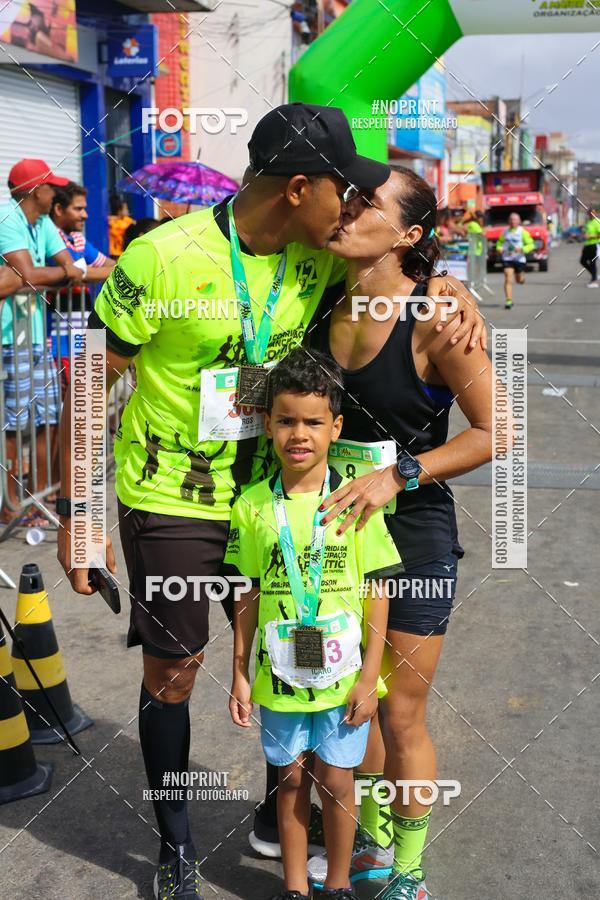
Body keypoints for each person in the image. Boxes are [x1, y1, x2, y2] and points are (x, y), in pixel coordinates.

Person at [57, 103, 484, 898]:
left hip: (276, 500)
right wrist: (80, 510)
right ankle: (176, 845)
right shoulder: (162, 258)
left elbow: (396, 272)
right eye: (342, 193)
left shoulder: (318, 261)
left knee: (300, 657)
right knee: (177, 670)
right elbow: (88, 372)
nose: (350, 210)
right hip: (172, 497)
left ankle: (282, 806)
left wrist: (446, 287)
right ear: (298, 189)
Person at [306, 167, 494, 899]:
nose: (348, 210)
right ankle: (375, 836)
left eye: (368, 205)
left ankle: (408, 872)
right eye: (348, 198)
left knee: (400, 705)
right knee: (355, 694)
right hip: (331, 534)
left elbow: (494, 432)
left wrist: (400, 474)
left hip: (411, 530)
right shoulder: (316, 294)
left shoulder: (435, 316)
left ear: (410, 235)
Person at [226, 348, 402, 900]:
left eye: (312, 422)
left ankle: (340, 885)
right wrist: (238, 673)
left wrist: (369, 677)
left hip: (343, 678)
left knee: (337, 783)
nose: (297, 434)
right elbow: (247, 594)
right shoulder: (252, 505)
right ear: (268, 424)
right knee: (291, 782)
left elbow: (378, 591)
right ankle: (297, 888)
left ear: (336, 427)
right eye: (285, 421)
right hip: (278, 681)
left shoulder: (354, 504)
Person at [0, 158, 84, 526]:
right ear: (36, 191)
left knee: (48, 415)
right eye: (52, 186)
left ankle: (37, 496)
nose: (57, 192)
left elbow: (67, 264)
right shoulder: (8, 217)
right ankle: (11, 502)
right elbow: (28, 273)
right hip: (9, 337)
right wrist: (66, 273)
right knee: (16, 423)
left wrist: (64, 272)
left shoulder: (42, 222)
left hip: (35, 335)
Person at [50, 182, 115, 283]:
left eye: (84, 209)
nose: (85, 215)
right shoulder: (51, 236)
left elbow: (107, 263)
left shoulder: (76, 238)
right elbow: (77, 271)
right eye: (78, 209)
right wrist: (118, 271)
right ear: (59, 209)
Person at [496, 211, 534, 309]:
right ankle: (508, 300)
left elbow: (531, 245)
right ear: (509, 221)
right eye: (511, 219)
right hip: (507, 258)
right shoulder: (505, 232)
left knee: (519, 280)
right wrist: (499, 248)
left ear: (519, 221)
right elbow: (499, 243)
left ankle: (521, 278)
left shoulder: (523, 232)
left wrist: (522, 249)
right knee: (508, 277)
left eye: (515, 219)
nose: (513, 221)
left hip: (519, 259)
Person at [108, 193, 135, 258]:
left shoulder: (127, 220)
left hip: (121, 251)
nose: (128, 211)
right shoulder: (112, 222)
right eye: (126, 209)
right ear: (119, 211)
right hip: (114, 253)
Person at [580, 207, 600, 287]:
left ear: (595, 213)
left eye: (593, 213)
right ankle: (594, 275)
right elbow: (586, 233)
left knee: (592, 262)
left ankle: (594, 280)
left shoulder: (597, 222)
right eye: (590, 213)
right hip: (587, 245)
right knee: (582, 261)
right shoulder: (588, 222)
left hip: (594, 245)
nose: (591, 215)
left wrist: (590, 236)